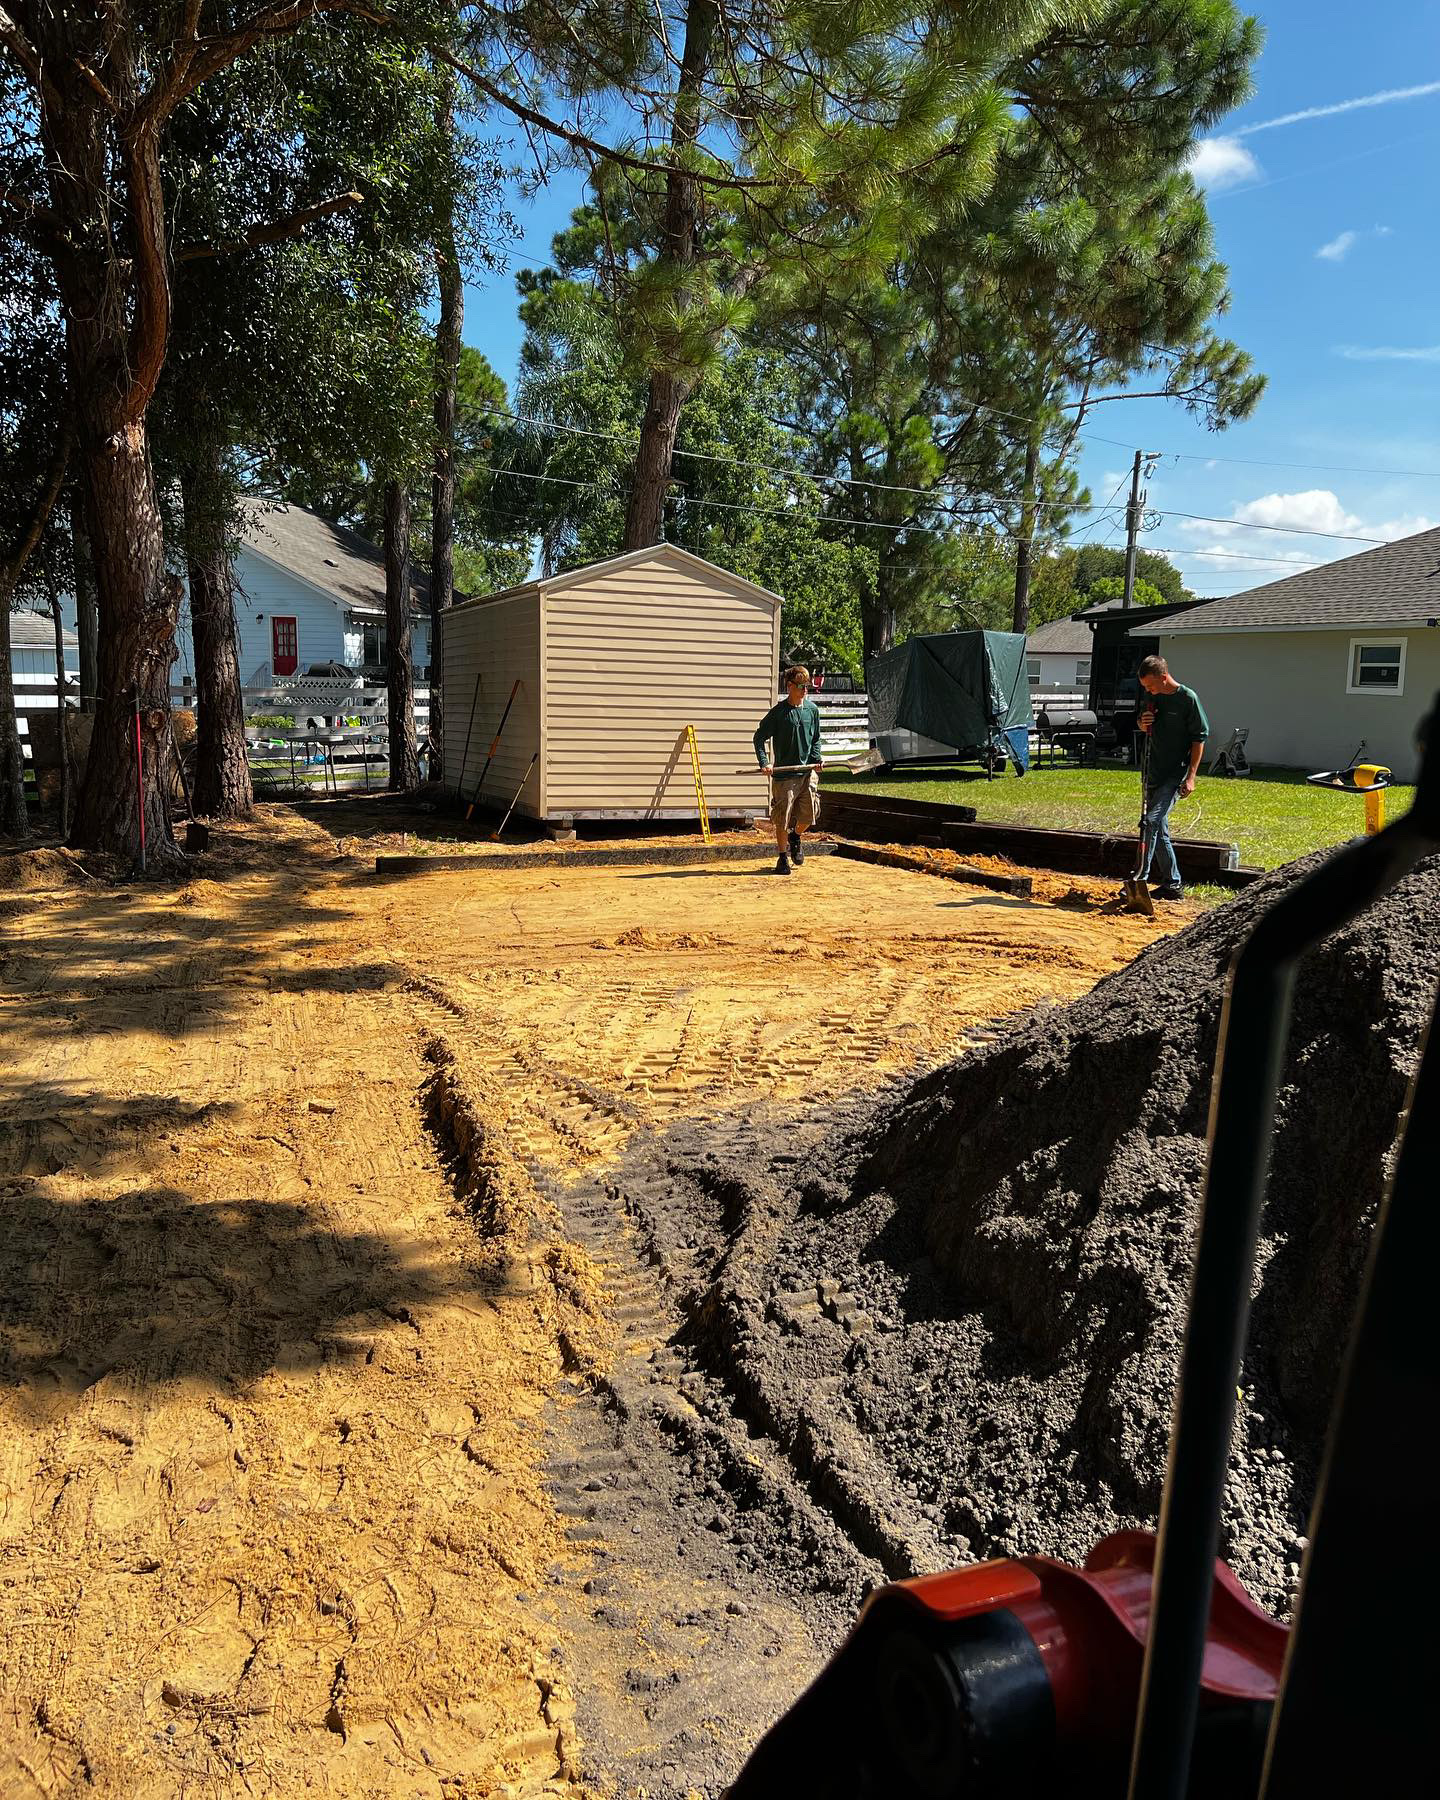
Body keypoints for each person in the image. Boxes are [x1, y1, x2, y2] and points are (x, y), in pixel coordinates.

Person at [1134, 653, 1209, 901]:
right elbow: (1144, 724)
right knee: (1161, 830)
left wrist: (1191, 777)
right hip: (1152, 771)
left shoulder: (1188, 699)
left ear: (1164, 677)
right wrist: (1143, 724)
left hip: (1174, 774)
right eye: (1145, 687)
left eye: (1151, 686)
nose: (1149, 691)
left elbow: (1199, 739)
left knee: (1151, 822)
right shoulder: (1151, 696)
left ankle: (1140, 878)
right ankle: (1173, 884)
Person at [754, 665, 822, 875]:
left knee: (808, 817)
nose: (805, 690)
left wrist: (817, 759)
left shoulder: (812, 710)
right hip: (784, 776)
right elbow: (759, 738)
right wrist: (765, 762)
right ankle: (782, 858)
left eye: (807, 686)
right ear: (790, 686)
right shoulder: (778, 713)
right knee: (782, 819)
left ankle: (796, 836)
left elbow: (816, 739)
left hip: (807, 773)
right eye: (801, 686)